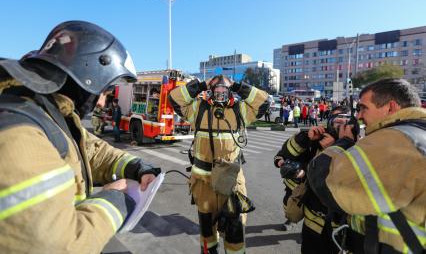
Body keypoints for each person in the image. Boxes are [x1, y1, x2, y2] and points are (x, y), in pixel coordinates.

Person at [0, 21, 161, 253]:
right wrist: (116, 199)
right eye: (103, 92)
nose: (103, 102)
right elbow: (60, 245)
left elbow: (92, 149)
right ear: (86, 79)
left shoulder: (50, 114)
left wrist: (137, 166)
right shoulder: (19, 133)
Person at [308, 78, 426, 253]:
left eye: (364, 107)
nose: (359, 116)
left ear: (391, 107)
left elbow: (324, 181)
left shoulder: (393, 140)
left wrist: (344, 143)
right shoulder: (417, 133)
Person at [169, 75, 269, 254]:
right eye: (217, 89)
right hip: (203, 183)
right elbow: (174, 98)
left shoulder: (240, 110)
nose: (220, 92)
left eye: (224, 89)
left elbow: (264, 101)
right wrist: (201, 84)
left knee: (234, 232)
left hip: (231, 185)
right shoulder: (198, 109)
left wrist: (238, 85)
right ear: (211, 91)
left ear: (229, 91)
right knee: (207, 234)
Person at [273, 106, 350, 254]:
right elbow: (286, 154)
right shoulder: (318, 139)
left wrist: (336, 148)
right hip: (312, 221)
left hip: (340, 226)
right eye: (334, 121)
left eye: (344, 121)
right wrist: (305, 138)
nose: (338, 126)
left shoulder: (357, 146)